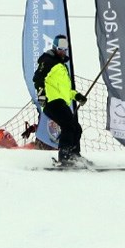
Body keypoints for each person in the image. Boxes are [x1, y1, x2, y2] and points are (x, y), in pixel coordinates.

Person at [41, 35, 85, 165]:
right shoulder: (47, 61)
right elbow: (38, 78)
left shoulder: (63, 67)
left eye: (65, 49)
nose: (63, 52)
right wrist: (41, 94)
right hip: (52, 102)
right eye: (60, 49)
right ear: (54, 48)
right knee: (68, 126)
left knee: (76, 128)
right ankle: (64, 156)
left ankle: (74, 155)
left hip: (61, 102)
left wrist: (77, 96)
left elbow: (66, 90)